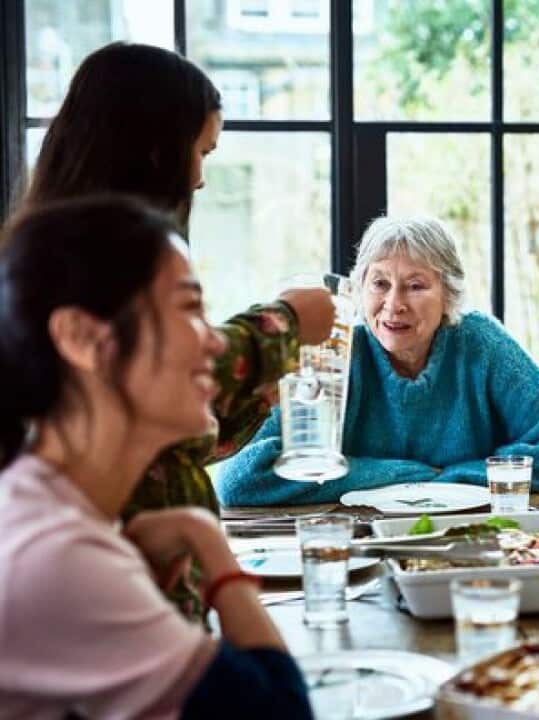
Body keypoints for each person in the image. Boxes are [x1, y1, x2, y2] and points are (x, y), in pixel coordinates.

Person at [20, 42, 334, 617]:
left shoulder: (68, 253)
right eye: (202, 152)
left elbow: (192, 425)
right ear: (154, 150)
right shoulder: (75, 264)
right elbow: (144, 389)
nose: (199, 180)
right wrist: (284, 323)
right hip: (136, 593)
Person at [0, 197, 310, 718]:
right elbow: (277, 712)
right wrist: (208, 542)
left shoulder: (50, 507)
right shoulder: (57, 553)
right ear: (82, 339)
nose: (215, 342)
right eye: (190, 309)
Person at [217, 215, 539, 505]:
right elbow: (242, 479)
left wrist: (449, 480)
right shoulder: (335, 352)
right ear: (360, 290)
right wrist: (407, 476)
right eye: (379, 284)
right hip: (359, 541)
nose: (394, 304)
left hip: (475, 536)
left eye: (416, 285)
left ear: (449, 295)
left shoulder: (481, 342)